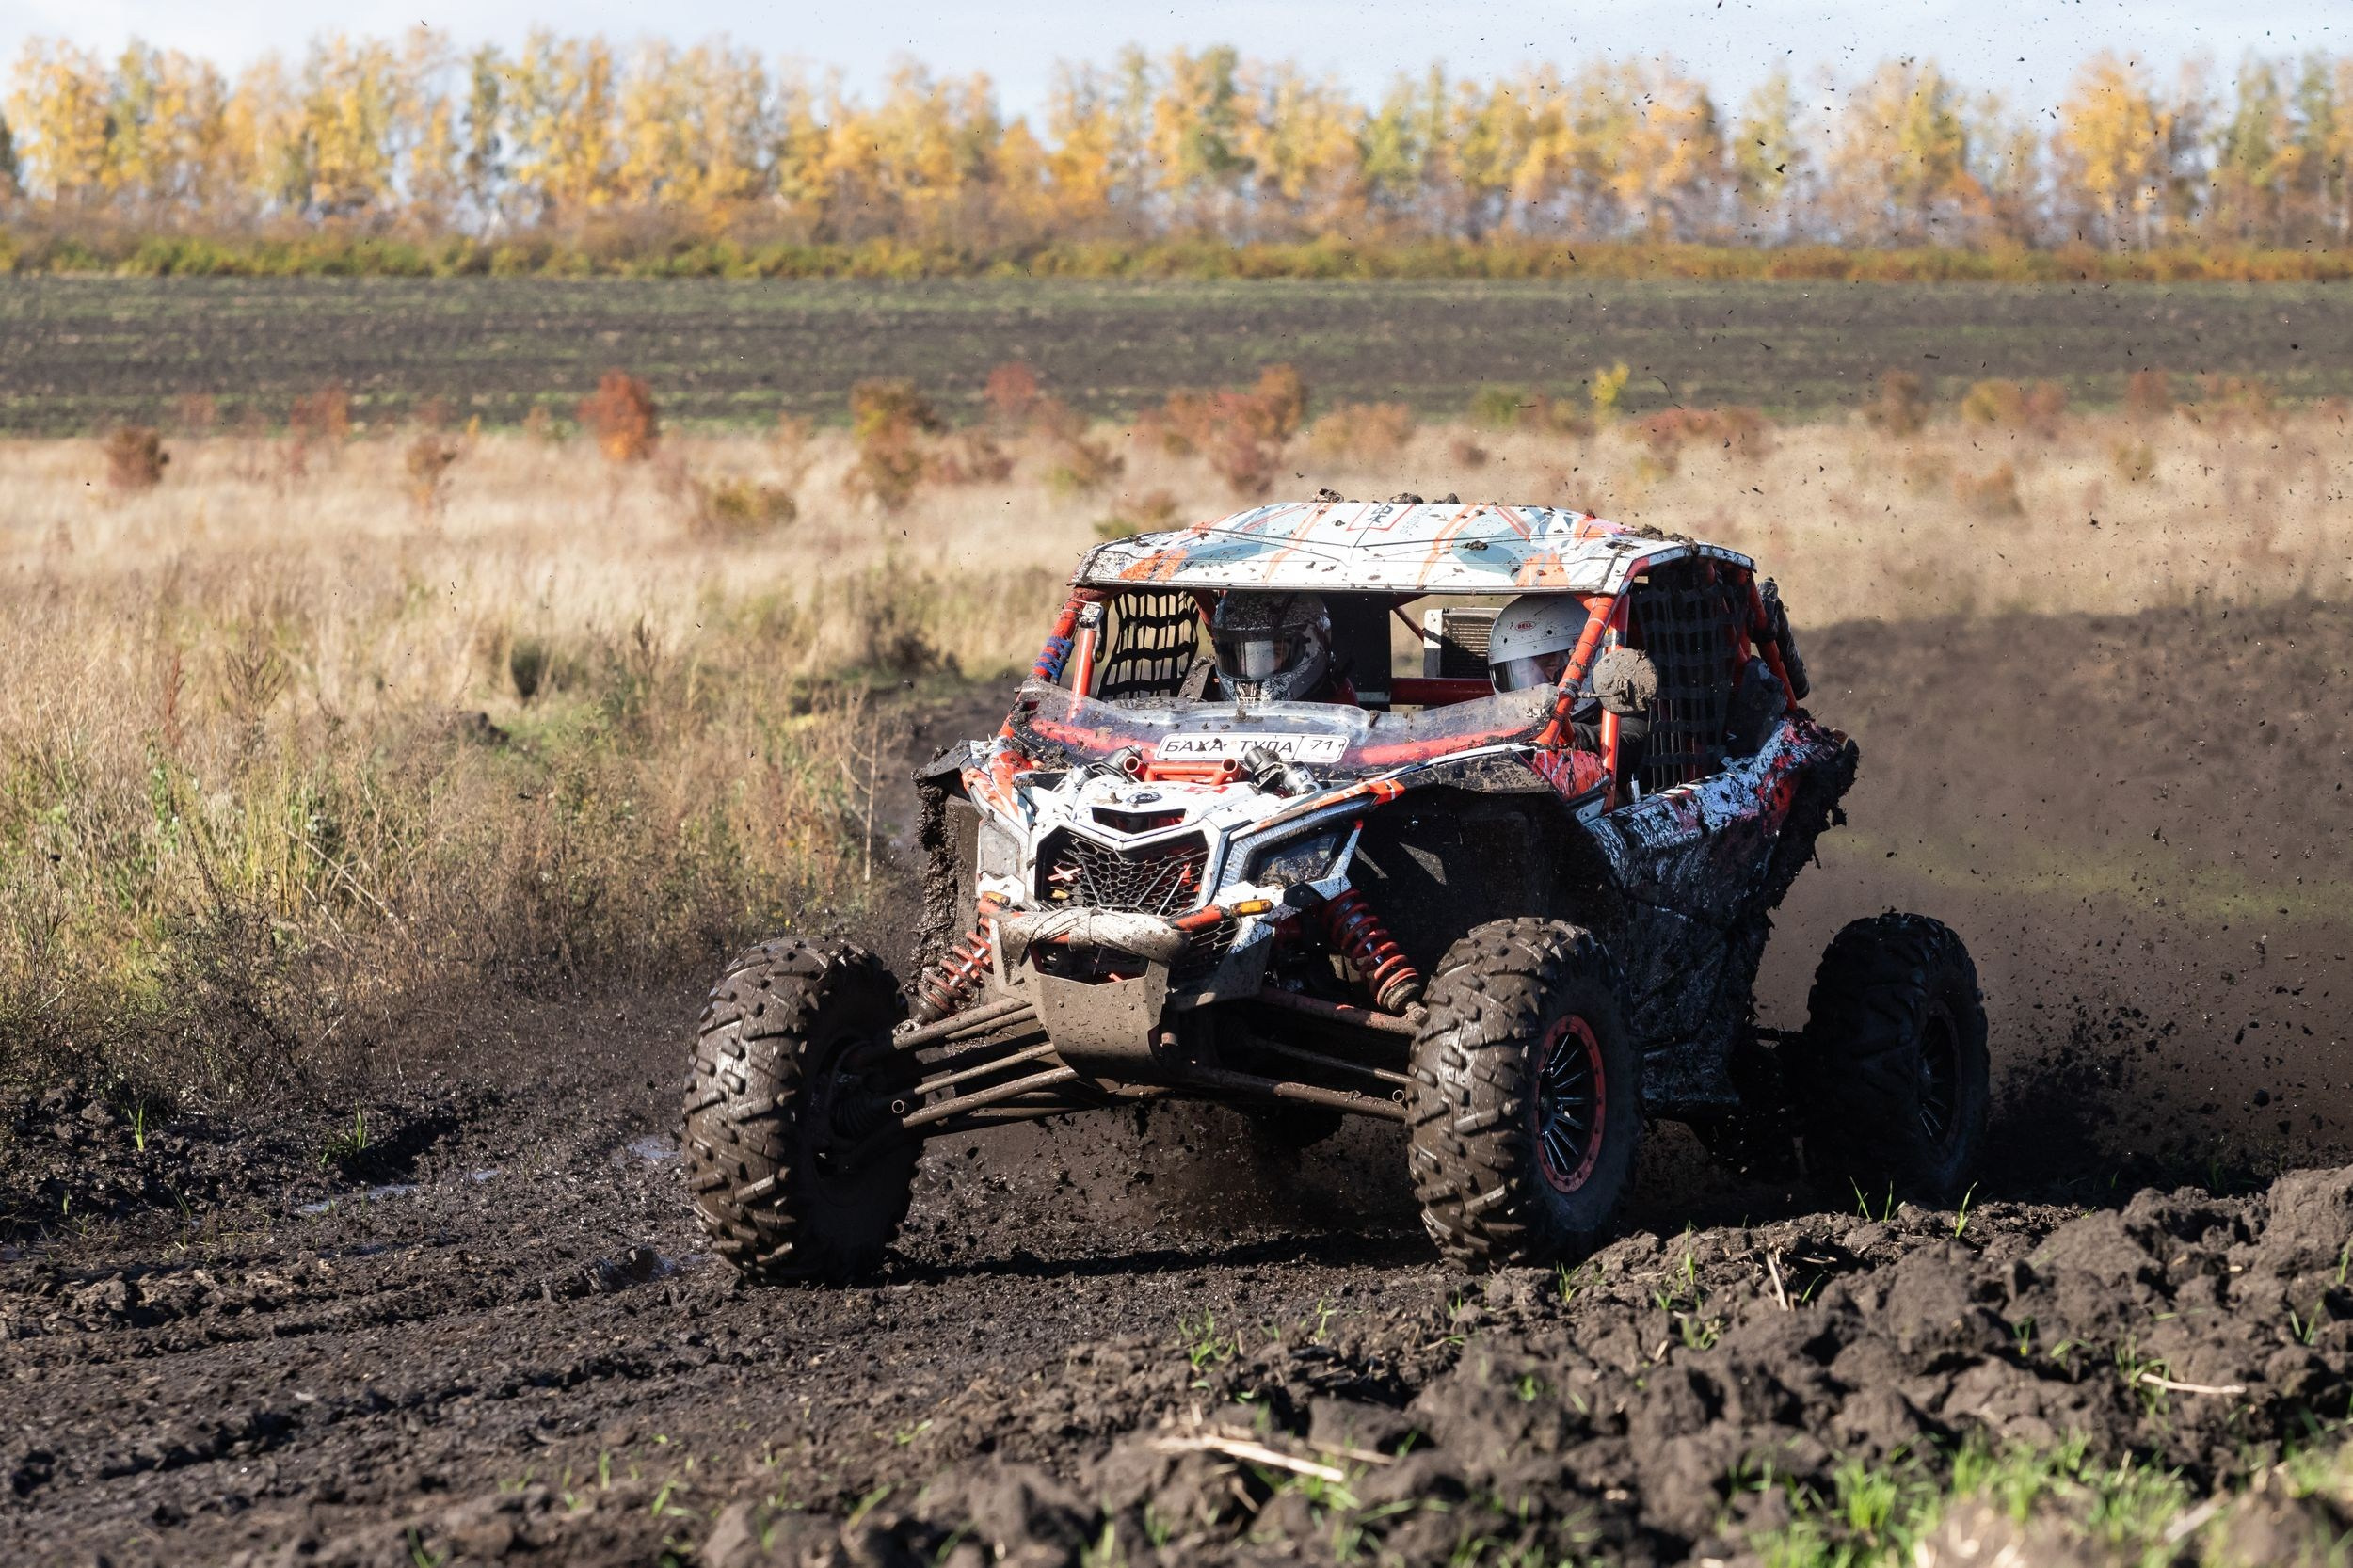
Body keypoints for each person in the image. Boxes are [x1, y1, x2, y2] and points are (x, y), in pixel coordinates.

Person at [1488, 593, 1656, 771]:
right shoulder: (1498, 723)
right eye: (1520, 671)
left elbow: (1628, 736)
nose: (1533, 685)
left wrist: (1568, 736)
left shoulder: (1625, 724)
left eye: (1551, 665)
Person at [1207, 591, 1334, 703]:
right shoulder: (1206, 714)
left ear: (1314, 650)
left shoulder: (1342, 720)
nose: (1255, 668)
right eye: (1243, 653)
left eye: (1274, 653)